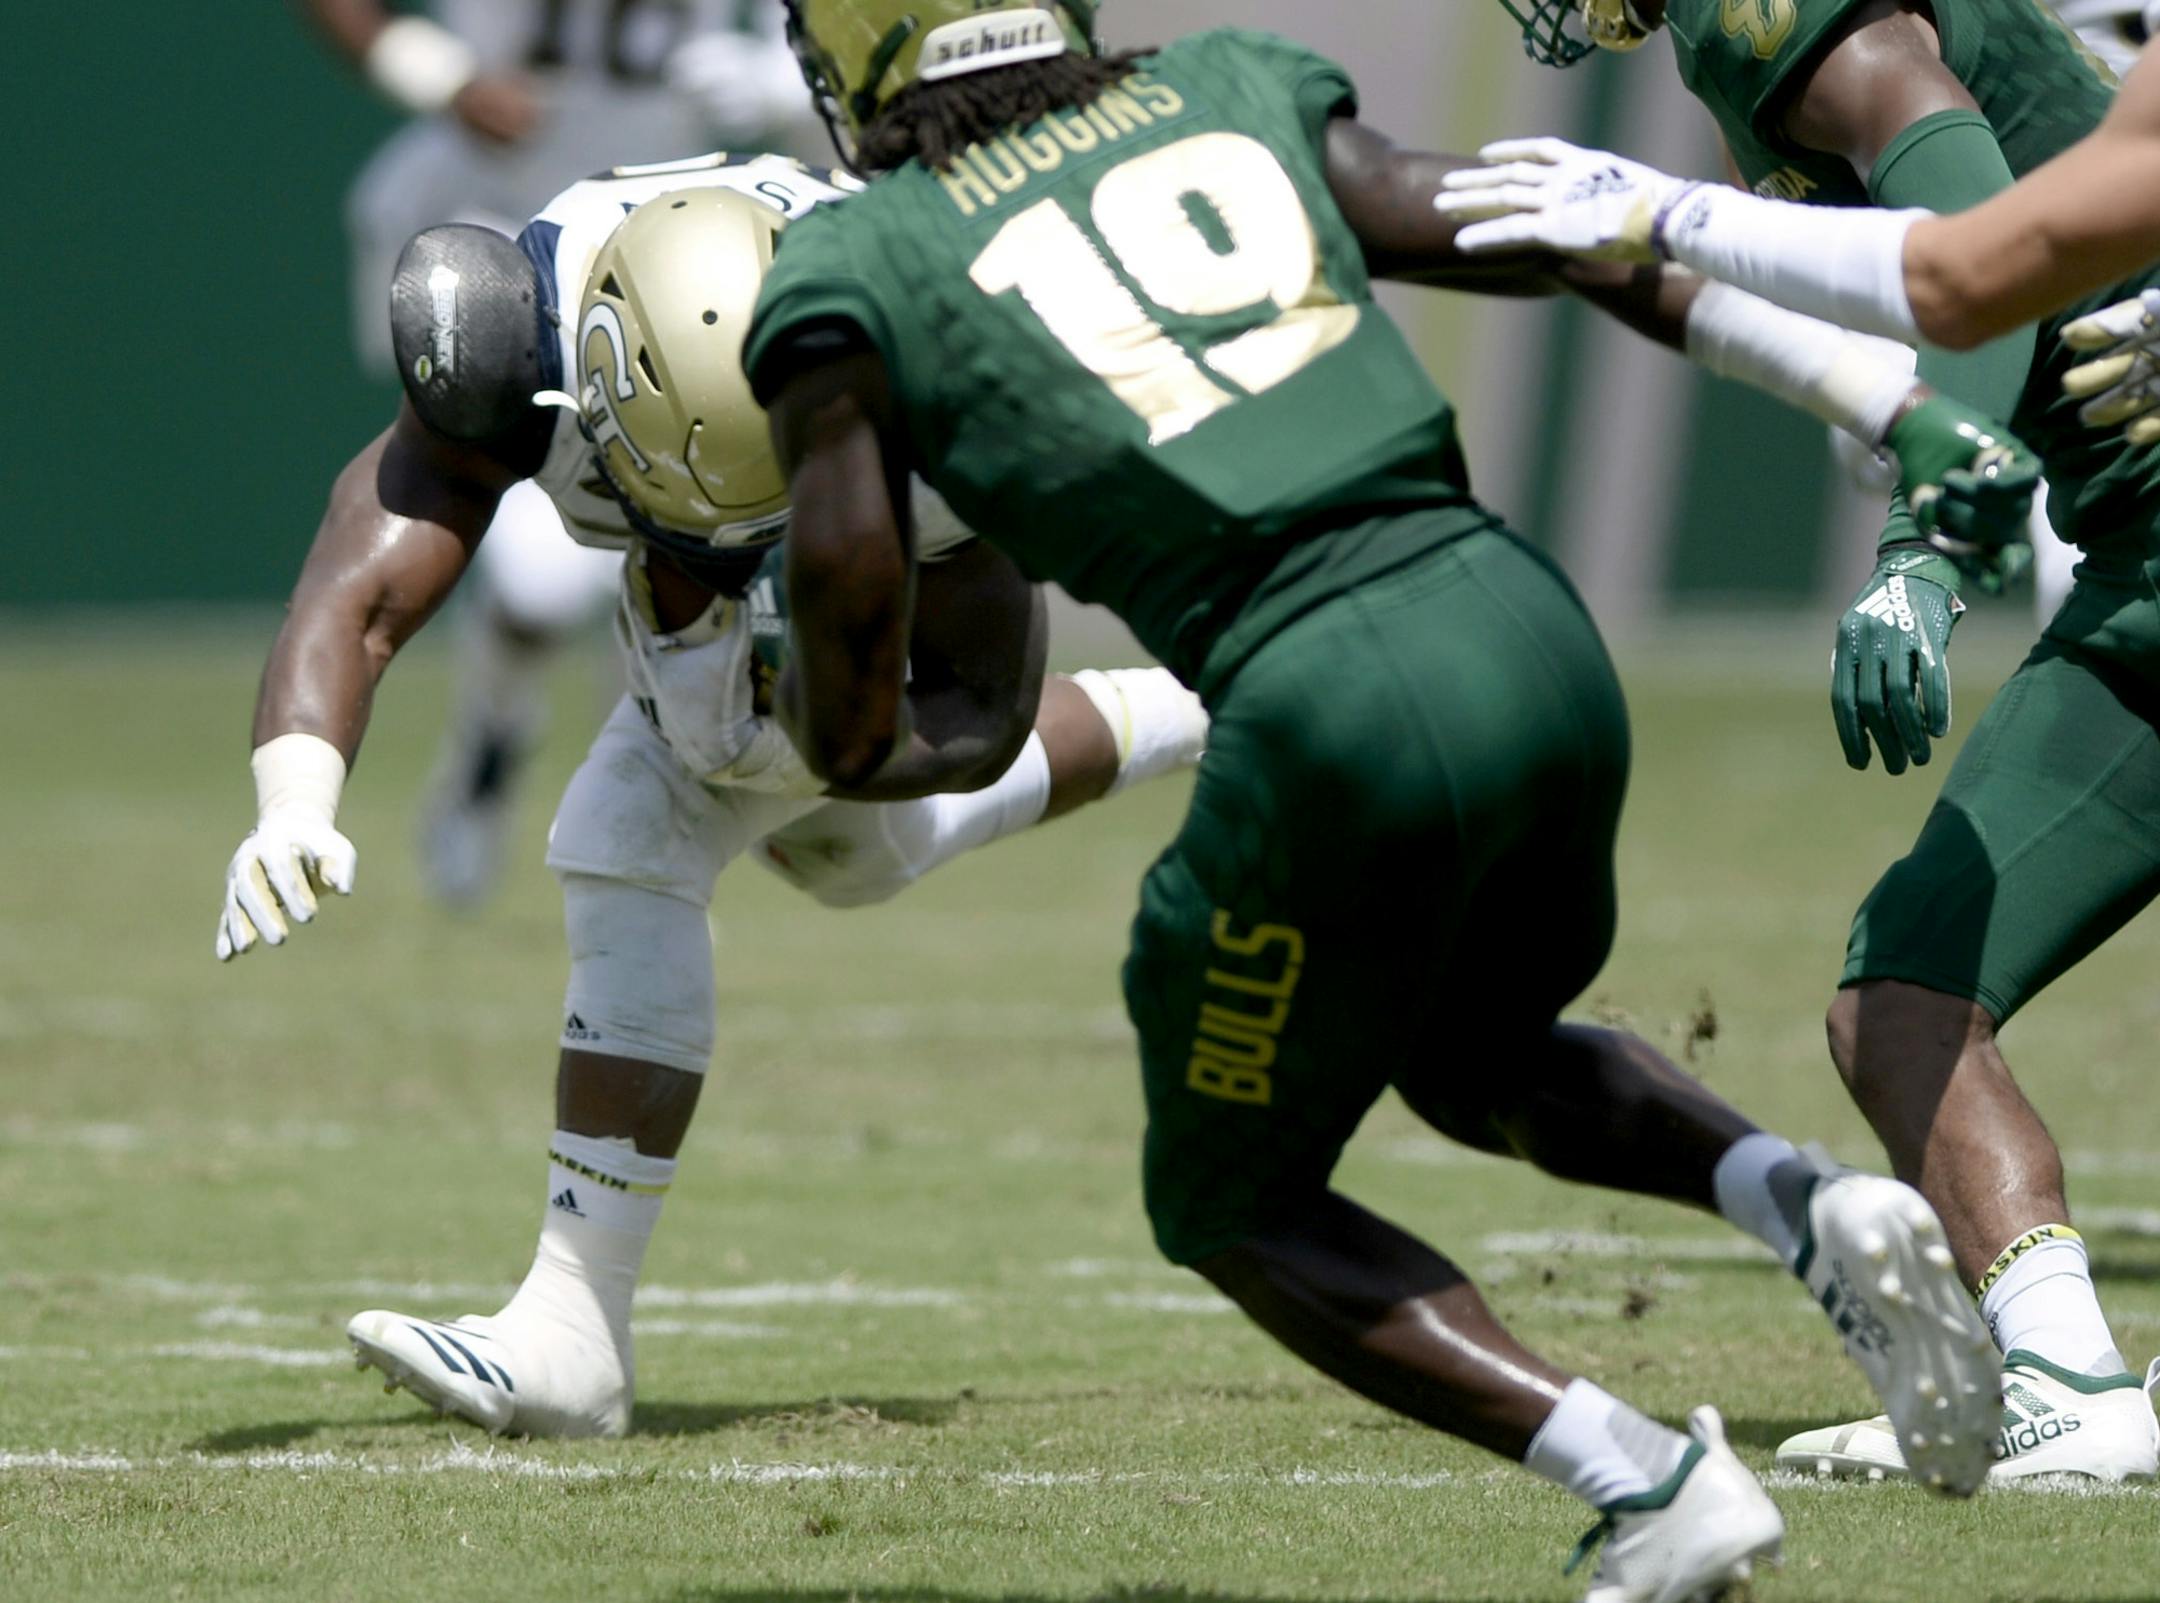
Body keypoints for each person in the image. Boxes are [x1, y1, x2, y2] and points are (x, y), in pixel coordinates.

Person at [741, 6, 2035, 1593]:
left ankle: (1650, 1485)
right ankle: (1814, 1206)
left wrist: (829, 743)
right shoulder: (1218, 90)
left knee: (1232, 1196)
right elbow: (1554, 230)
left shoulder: (853, 270)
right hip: (1530, 629)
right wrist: (1889, 406)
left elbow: (854, 649)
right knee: (1472, 1053)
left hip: (1329, 699)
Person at [214, 151, 1211, 1438]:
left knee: (644, 819)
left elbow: (975, 713)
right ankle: (1218, 700)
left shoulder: (943, 384)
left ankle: (574, 1330)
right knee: (854, 854)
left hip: (861, 535)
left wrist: (825, 728)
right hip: (754, 458)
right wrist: (293, 797)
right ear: (594, 374)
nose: (722, 551)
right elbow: (357, 591)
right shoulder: (515, 330)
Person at [1454, 0, 2160, 1482]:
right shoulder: (1727, 47)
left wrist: (1920, 535)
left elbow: (1969, 224)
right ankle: (2066, 1379)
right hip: (2139, 570)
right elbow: (1953, 262)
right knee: (1908, 987)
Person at [300, 0, 813, 905]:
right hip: (501, 230)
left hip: (680, 244)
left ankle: (653, 815)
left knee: (677, 537)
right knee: (535, 578)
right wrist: (442, 78)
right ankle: (489, 747)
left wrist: (779, 74)